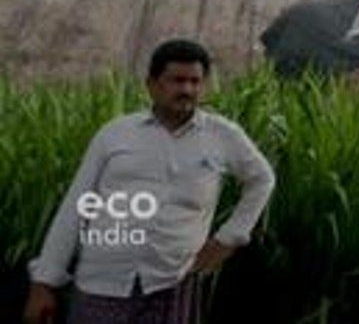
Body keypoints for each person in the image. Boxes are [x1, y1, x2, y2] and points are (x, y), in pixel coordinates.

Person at [23, 38, 276, 324]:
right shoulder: (115, 134)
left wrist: (229, 238)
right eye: (177, 80)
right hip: (101, 284)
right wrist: (43, 283)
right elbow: (75, 208)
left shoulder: (222, 135)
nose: (187, 89)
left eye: (195, 81)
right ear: (152, 84)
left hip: (171, 285)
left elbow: (262, 179)